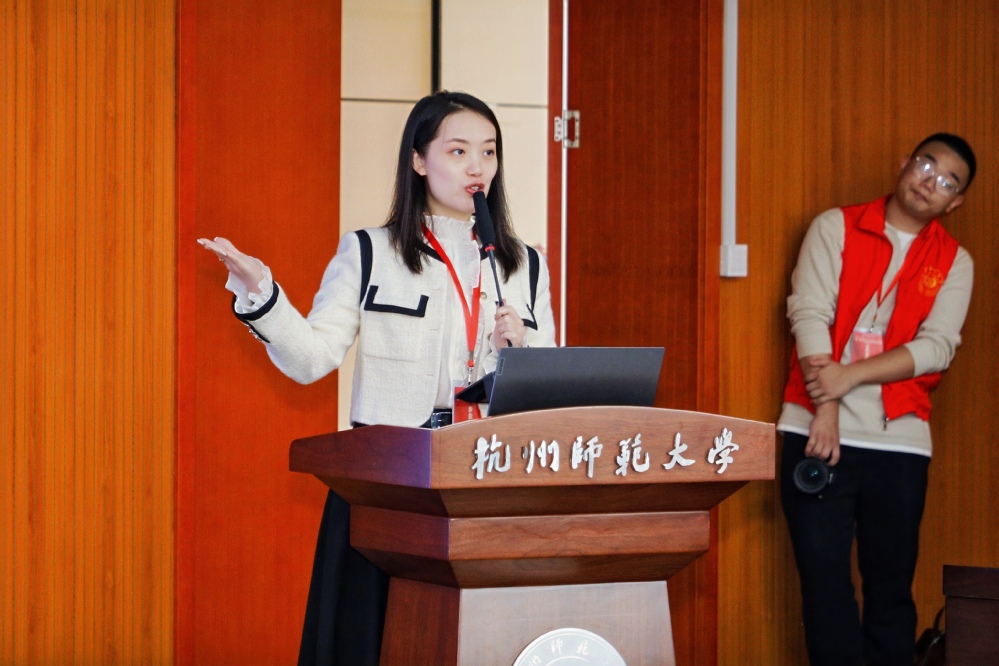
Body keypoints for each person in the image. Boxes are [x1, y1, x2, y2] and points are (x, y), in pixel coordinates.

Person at [198, 90, 557, 665]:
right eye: (458, 150)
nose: (477, 167)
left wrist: (520, 354)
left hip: (487, 479)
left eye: (488, 152)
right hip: (393, 481)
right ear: (418, 160)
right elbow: (312, 359)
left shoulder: (525, 264)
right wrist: (260, 292)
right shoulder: (371, 251)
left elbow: (549, 395)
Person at [777, 133, 976, 666]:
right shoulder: (835, 226)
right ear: (904, 163)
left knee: (890, 593)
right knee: (825, 592)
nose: (930, 182)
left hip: (900, 443)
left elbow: (937, 347)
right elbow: (809, 313)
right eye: (926, 165)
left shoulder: (955, 261)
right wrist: (826, 407)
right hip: (812, 430)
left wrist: (849, 377)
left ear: (954, 203)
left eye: (947, 181)